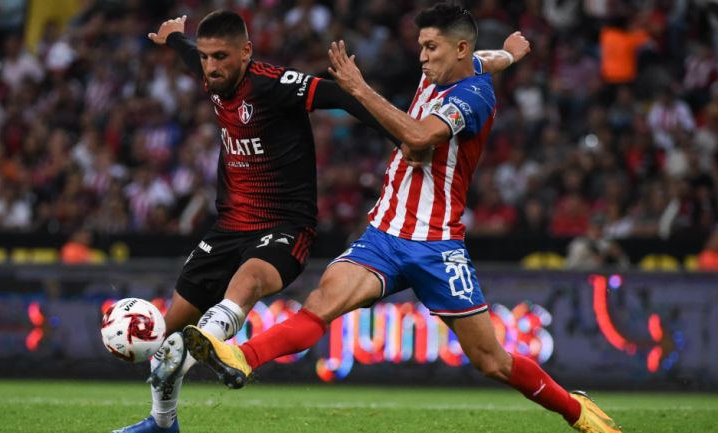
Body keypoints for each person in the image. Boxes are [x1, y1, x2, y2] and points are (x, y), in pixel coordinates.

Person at [183, 4, 622, 433]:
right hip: (384, 235)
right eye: (421, 46)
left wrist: (358, 88)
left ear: (459, 49)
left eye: (431, 47)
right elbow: (488, 59)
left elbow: (418, 136)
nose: (422, 57)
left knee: (491, 361)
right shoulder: (461, 66)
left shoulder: (472, 96)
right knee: (320, 304)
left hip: (436, 244)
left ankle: (574, 410)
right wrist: (511, 51)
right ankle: (240, 356)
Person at [113, 10, 517, 433]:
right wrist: (176, 38)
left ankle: (214, 343)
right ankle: (162, 422)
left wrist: (401, 137)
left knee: (248, 281)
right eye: (206, 58)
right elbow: (190, 53)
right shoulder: (211, 73)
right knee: (167, 332)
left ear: (245, 53)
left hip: (284, 225)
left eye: (220, 57)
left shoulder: (272, 84)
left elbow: (341, 95)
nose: (211, 66)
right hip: (230, 224)